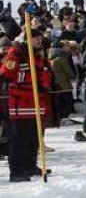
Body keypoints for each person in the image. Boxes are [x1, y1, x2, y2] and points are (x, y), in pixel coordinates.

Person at [0, 29, 52, 182]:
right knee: (19, 139)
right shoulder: (15, 54)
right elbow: (5, 74)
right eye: (35, 39)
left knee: (33, 139)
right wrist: (22, 73)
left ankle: (30, 165)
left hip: (36, 103)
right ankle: (16, 171)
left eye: (39, 39)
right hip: (19, 104)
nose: (38, 41)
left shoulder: (38, 55)